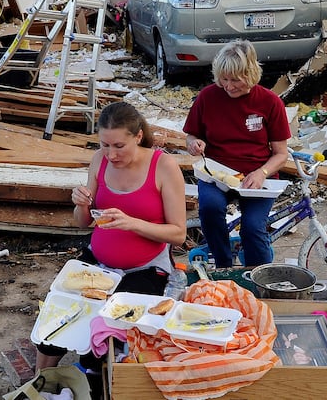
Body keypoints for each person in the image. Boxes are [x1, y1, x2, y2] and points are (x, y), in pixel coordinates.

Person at [35, 101, 187, 371]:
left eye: (119, 146)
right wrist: (80, 203)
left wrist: (133, 224)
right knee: (53, 330)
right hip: (98, 265)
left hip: (146, 268)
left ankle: (93, 378)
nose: (111, 154)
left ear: (138, 137)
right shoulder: (99, 161)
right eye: (105, 145)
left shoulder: (164, 166)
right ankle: (40, 381)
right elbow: (83, 223)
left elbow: (178, 234)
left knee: (102, 336)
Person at [183, 40, 291, 268]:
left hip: (257, 174)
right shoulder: (208, 97)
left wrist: (262, 173)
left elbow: (281, 154)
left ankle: (258, 275)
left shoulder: (270, 102)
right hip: (215, 172)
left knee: (253, 227)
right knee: (210, 209)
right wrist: (194, 144)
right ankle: (224, 266)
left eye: (235, 80)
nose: (229, 86)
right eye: (224, 79)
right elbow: (191, 136)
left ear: (250, 74)